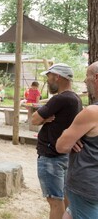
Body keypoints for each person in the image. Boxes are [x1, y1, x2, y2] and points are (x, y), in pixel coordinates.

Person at [31, 63, 82, 219]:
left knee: (55, 202)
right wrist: (45, 119)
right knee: (66, 199)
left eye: (49, 76)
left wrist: (43, 118)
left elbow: (34, 119)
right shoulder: (76, 98)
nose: (48, 80)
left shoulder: (59, 99)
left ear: (57, 76)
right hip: (65, 156)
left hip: (51, 157)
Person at [56, 61, 98, 219]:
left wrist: (70, 133)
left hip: (87, 187)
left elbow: (61, 146)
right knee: (69, 214)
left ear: (96, 78)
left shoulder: (92, 112)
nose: (86, 83)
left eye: (87, 79)